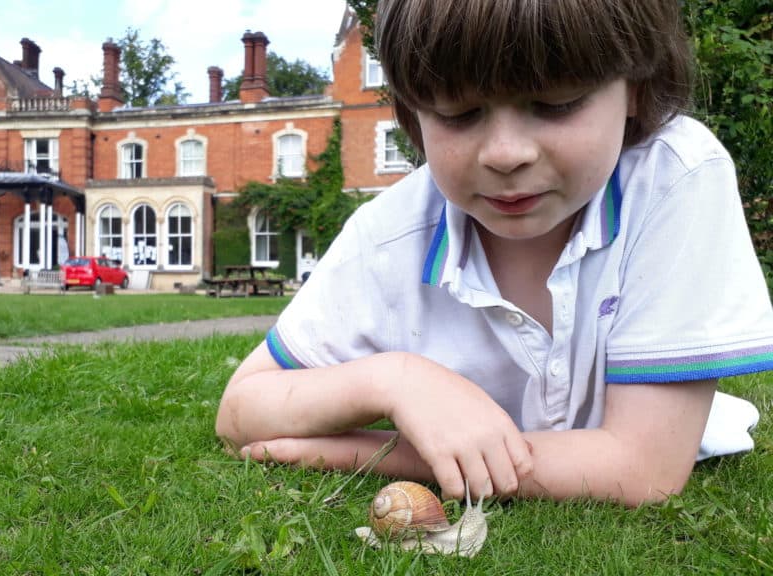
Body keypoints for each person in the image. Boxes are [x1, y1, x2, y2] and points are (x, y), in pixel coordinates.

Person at [215, 0, 773, 507]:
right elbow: (241, 410)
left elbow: (642, 468)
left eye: (556, 103)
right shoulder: (389, 233)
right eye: (459, 114)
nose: (506, 154)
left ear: (636, 88)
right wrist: (397, 380)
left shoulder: (676, 176)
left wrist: (367, 452)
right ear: (415, 114)